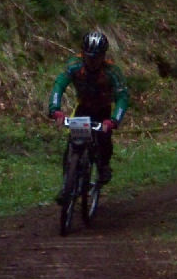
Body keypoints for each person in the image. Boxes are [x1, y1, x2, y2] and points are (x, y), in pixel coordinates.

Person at [47, 31, 129, 203]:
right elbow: (59, 84)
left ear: (103, 57)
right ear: (82, 53)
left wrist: (113, 120)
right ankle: (67, 184)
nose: (92, 61)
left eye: (96, 57)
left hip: (103, 110)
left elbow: (122, 97)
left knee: (104, 138)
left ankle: (103, 166)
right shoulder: (75, 65)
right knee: (74, 144)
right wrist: (56, 109)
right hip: (84, 107)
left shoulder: (112, 72)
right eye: (88, 56)